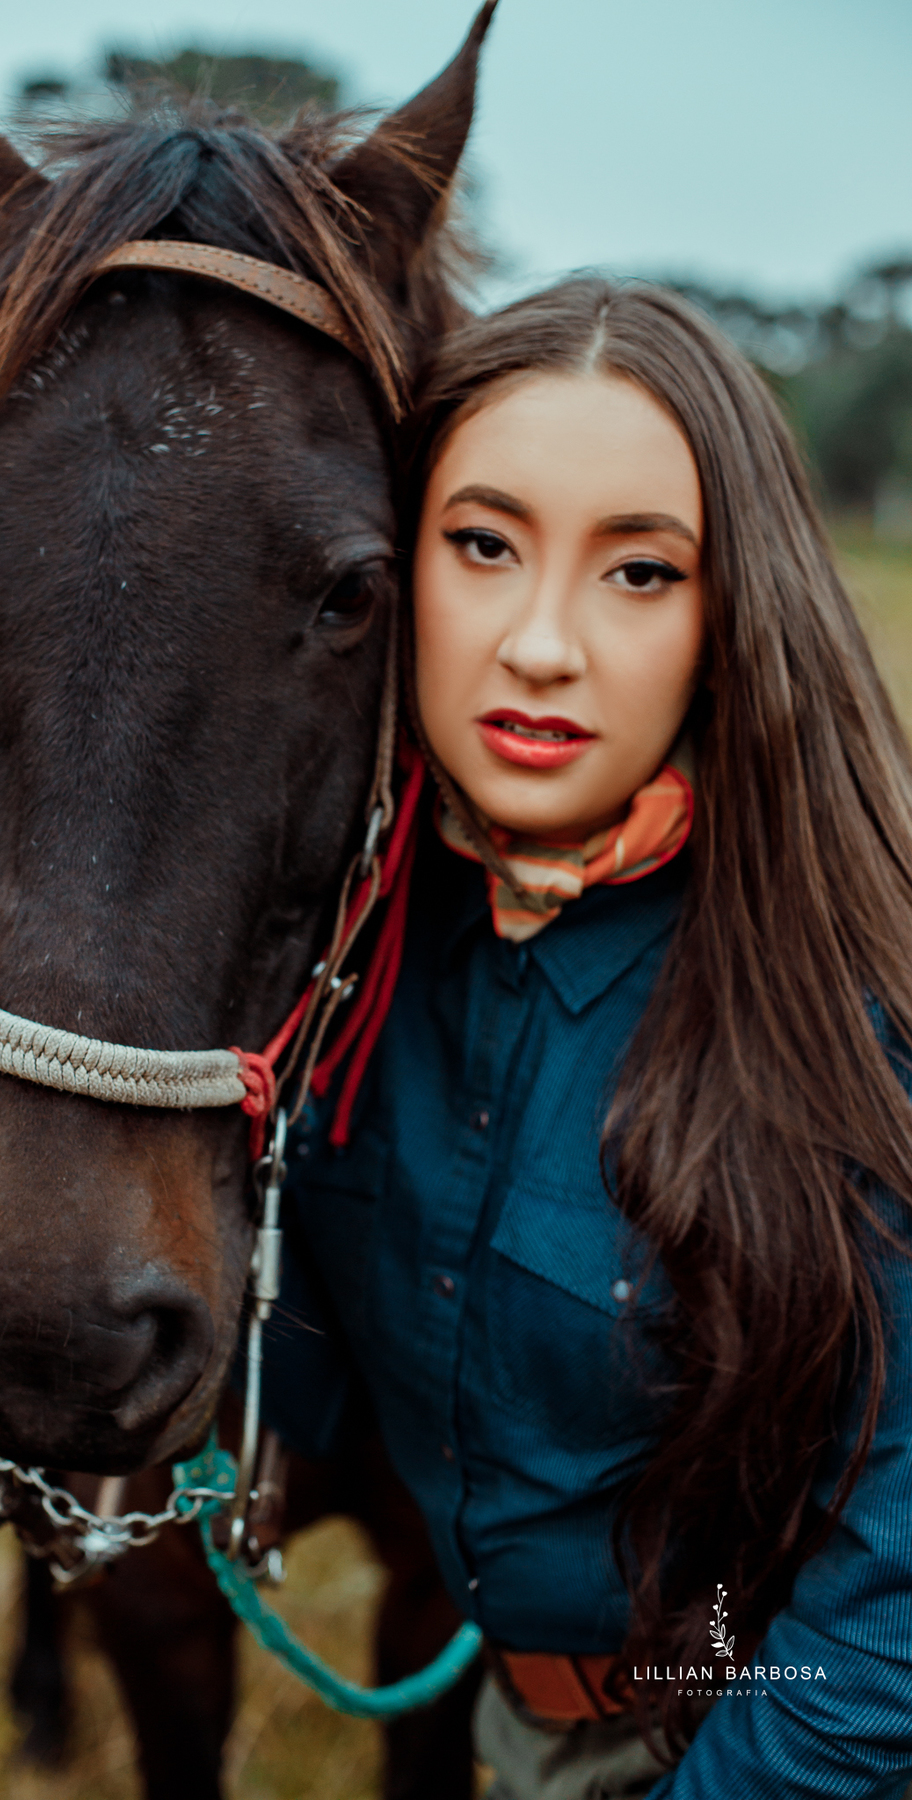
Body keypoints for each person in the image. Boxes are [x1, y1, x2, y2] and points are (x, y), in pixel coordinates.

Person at [263, 277, 912, 1798]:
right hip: (525, 1729)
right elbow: (289, 1403)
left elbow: (889, 1614)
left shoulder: (856, 1011)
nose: (543, 644)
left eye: (640, 572)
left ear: (730, 611)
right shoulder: (355, 952)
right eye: (484, 546)